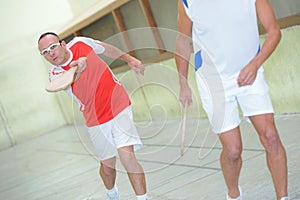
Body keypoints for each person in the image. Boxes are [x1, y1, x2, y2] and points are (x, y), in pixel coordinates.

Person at [175, 0, 288, 200]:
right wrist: (183, 83)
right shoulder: (187, 2)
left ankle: (283, 197)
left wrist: (255, 64)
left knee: (270, 136)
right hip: (213, 81)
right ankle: (233, 194)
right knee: (233, 150)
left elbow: (274, 31)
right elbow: (183, 41)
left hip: (250, 73)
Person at [38, 32, 148, 200]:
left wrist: (130, 59)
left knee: (127, 156)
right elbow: (66, 82)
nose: (50, 53)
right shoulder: (55, 74)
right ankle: (112, 194)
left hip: (118, 104)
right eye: (45, 52)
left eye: (53, 47)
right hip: (95, 119)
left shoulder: (81, 43)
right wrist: (78, 68)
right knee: (108, 166)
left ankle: (143, 198)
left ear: (63, 44)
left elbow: (106, 49)